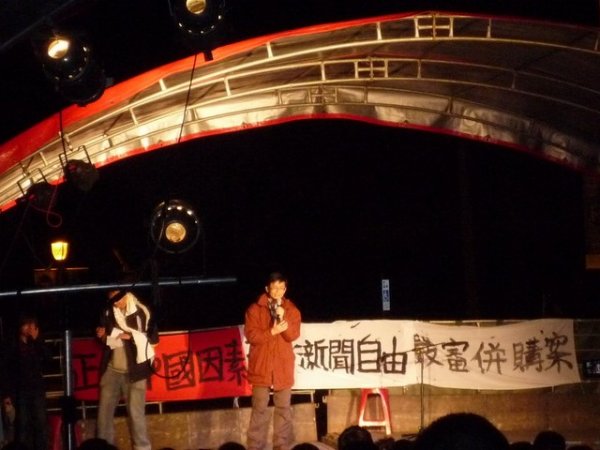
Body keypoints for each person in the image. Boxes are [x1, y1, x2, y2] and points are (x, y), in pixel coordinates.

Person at [244, 272, 302, 450]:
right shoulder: (255, 309)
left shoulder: (291, 310)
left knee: (283, 409)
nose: (277, 291)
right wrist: (272, 332)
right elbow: (251, 336)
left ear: (285, 290)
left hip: (282, 368)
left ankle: (281, 446)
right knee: (259, 409)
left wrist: (283, 318)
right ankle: (255, 446)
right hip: (261, 367)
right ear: (267, 288)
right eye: (274, 287)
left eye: (281, 288)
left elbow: (293, 335)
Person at [95, 289, 158, 450]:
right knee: (104, 415)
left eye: (119, 298)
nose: (117, 303)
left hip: (136, 370)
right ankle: (103, 447)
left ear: (126, 294)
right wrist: (101, 335)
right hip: (112, 369)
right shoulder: (108, 312)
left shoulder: (141, 311)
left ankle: (142, 448)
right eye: (113, 300)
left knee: (136, 415)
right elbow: (103, 336)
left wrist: (129, 336)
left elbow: (153, 338)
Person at [0, 316, 49, 450]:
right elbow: (5, 370)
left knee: (41, 424)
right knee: (22, 426)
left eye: (32, 325)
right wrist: (6, 394)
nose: (29, 328)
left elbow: (48, 359)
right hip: (20, 391)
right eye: (26, 324)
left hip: (37, 390)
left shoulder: (36, 342)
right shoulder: (13, 345)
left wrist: (37, 340)